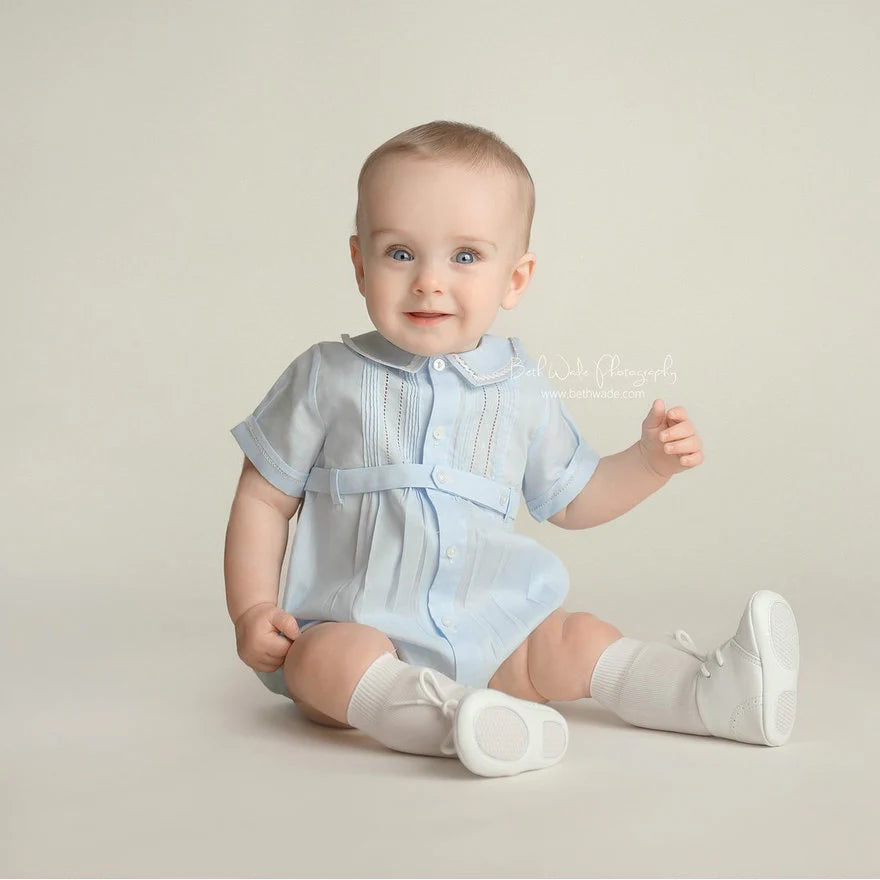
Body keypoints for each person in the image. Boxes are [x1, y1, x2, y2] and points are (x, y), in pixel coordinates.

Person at [224, 120, 800, 778]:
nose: (429, 282)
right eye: (401, 253)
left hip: (489, 630)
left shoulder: (520, 387)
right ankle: (451, 722)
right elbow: (262, 499)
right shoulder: (327, 375)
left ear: (515, 278)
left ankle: (708, 697)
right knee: (326, 664)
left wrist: (649, 464)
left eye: (465, 256)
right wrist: (253, 609)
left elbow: (575, 498)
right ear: (360, 263)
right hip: (353, 629)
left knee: (574, 640)